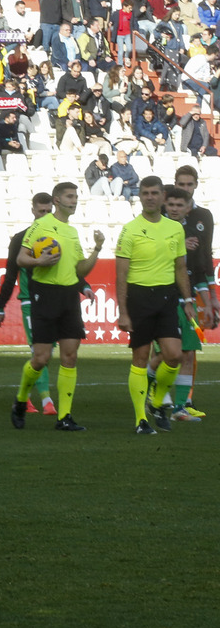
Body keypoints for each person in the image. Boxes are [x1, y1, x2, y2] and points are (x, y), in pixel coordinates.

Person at [10, 182, 105, 431]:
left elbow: (79, 269)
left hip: (69, 297)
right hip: (45, 295)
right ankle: (21, 400)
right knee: (41, 358)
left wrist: (97, 249)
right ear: (57, 199)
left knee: (70, 356)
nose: (74, 201)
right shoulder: (40, 225)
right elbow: (21, 258)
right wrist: (38, 260)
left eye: (76, 197)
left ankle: (64, 417)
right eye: (69, 197)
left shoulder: (72, 232)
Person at [115, 177, 193, 435]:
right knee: (140, 358)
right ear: (140, 196)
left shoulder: (175, 229)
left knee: (174, 355)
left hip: (167, 297)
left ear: (162, 196)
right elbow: (121, 273)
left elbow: (180, 267)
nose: (149, 197)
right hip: (139, 298)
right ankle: (141, 420)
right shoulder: (130, 229)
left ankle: (157, 402)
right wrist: (123, 311)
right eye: (145, 193)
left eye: (154, 193)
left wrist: (189, 299)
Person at [0, 193, 58, 416]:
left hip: (54, 301)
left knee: (45, 353)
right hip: (31, 303)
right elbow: (10, 275)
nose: (44, 215)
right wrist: (1, 307)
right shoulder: (21, 239)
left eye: (48, 211)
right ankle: (47, 400)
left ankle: (24, 397)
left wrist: (83, 286)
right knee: (38, 351)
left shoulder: (59, 238)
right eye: (41, 211)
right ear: (33, 211)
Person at [157, 185, 208, 422]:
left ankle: (179, 408)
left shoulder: (192, 234)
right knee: (167, 354)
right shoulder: (157, 229)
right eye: (171, 205)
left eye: (180, 205)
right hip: (162, 299)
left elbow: (196, 271)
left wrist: (205, 302)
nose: (175, 209)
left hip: (186, 301)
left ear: (188, 208)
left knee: (188, 354)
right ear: (164, 205)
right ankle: (154, 396)